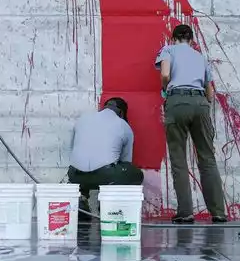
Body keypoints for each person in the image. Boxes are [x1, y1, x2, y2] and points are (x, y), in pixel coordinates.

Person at [155, 23, 227, 224]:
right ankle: (218, 212)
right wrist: (202, 103)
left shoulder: (168, 50)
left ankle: (185, 212)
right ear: (192, 40)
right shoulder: (200, 57)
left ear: (173, 38)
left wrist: (165, 89)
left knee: (179, 159)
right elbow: (210, 90)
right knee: (207, 158)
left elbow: (165, 74)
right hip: (201, 103)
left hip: (177, 101)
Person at [66, 97, 144, 211]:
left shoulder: (82, 119)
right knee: (136, 174)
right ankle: (107, 203)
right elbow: (126, 162)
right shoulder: (123, 125)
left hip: (74, 176)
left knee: (83, 164)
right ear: (121, 113)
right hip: (105, 177)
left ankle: (81, 198)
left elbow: (72, 150)